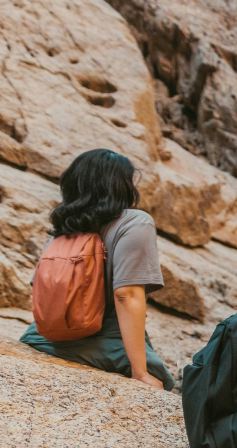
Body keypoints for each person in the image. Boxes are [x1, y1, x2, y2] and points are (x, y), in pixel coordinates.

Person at [21, 149, 174, 390]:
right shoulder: (134, 222)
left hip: (38, 338)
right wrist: (141, 372)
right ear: (121, 185)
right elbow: (127, 295)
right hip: (102, 343)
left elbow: (39, 289)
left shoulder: (64, 229)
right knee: (163, 380)